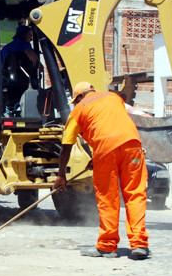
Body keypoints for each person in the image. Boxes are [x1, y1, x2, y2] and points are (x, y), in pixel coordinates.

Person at [53, 81, 150, 259]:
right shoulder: (114, 97)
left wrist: (61, 176)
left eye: (76, 101)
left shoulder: (78, 109)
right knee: (135, 194)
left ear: (80, 97)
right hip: (132, 146)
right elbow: (110, 124)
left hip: (106, 150)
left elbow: (66, 145)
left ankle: (107, 246)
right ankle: (139, 245)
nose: (76, 103)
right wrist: (96, 159)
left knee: (108, 197)